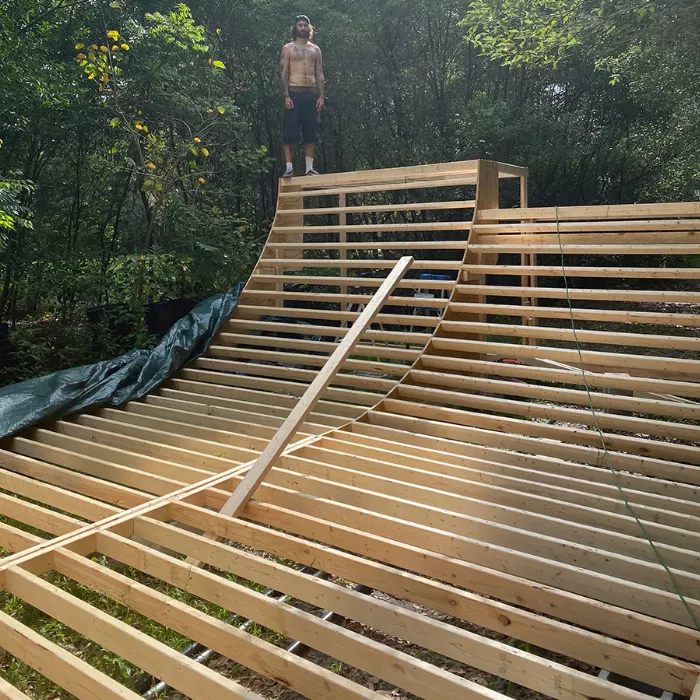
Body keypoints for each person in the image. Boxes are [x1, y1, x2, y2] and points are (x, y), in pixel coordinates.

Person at [280, 14, 325, 177]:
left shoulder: (315, 49)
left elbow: (320, 73)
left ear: (309, 28)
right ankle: (289, 167)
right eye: (299, 25)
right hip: (294, 92)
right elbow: (284, 72)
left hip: (310, 94)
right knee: (290, 133)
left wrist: (321, 96)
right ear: (295, 28)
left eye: (305, 25)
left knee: (311, 133)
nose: (302, 28)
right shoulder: (288, 48)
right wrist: (286, 96)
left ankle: (309, 168)